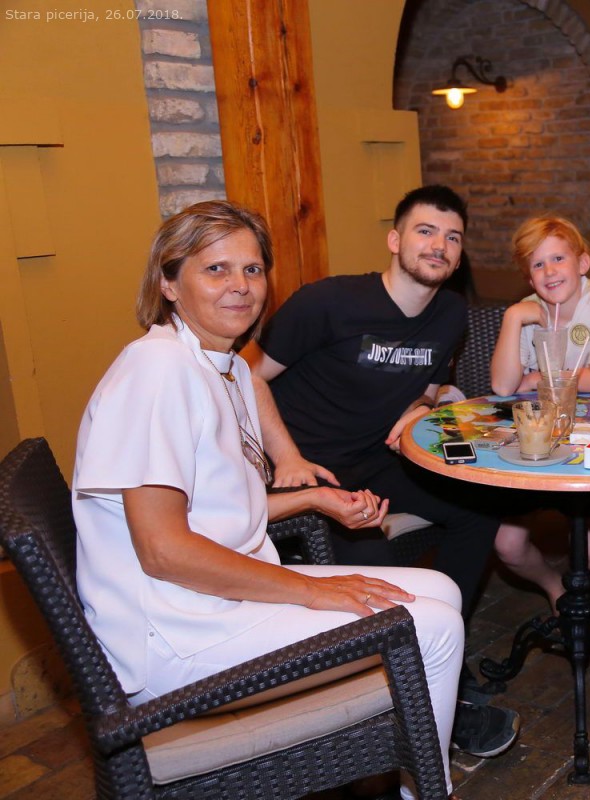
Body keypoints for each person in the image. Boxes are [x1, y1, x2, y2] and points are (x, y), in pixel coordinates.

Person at [72, 200, 465, 796]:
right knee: (433, 628)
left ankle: (400, 762)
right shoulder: (156, 372)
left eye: (252, 270)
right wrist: (313, 590)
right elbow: (164, 551)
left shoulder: (221, 365)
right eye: (216, 269)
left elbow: (212, 514)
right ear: (168, 283)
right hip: (173, 632)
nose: (241, 286)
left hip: (211, 598)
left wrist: (313, 501)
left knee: (441, 589)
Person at [245, 185, 518, 756]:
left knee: (479, 509)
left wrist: (420, 405)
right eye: (425, 231)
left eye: (452, 237)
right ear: (395, 240)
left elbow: (430, 384)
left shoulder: (450, 313)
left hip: (376, 458)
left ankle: (447, 646)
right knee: (383, 587)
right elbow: (245, 377)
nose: (439, 245)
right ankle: (428, 701)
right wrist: (286, 458)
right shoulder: (328, 302)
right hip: (309, 472)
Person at [490, 215, 590, 609]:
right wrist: (513, 318)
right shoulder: (527, 310)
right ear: (529, 278)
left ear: (583, 263)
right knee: (507, 546)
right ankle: (555, 588)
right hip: (537, 439)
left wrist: (536, 377)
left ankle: (580, 598)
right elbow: (503, 386)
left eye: (558, 258)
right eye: (538, 264)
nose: (549, 271)